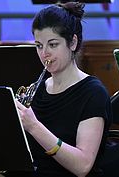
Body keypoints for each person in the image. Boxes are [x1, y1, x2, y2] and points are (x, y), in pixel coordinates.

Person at [15, 2, 112, 177]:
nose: (44, 53)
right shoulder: (36, 89)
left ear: (73, 42)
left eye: (53, 45)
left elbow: (82, 166)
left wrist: (34, 126)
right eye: (39, 45)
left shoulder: (93, 93)